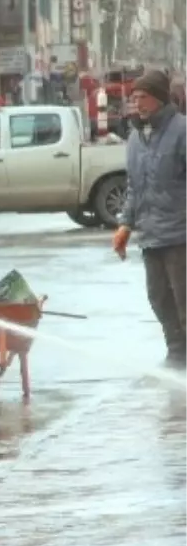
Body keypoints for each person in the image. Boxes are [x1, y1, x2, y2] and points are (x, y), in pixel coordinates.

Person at [112, 70, 187, 366]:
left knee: (184, 301)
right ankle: (177, 351)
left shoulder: (182, 131)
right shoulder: (135, 138)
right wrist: (125, 225)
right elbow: (134, 187)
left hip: (181, 234)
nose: (137, 103)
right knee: (159, 299)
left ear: (159, 98)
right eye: (134, 98)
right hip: (150, 234)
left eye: (142, 97)